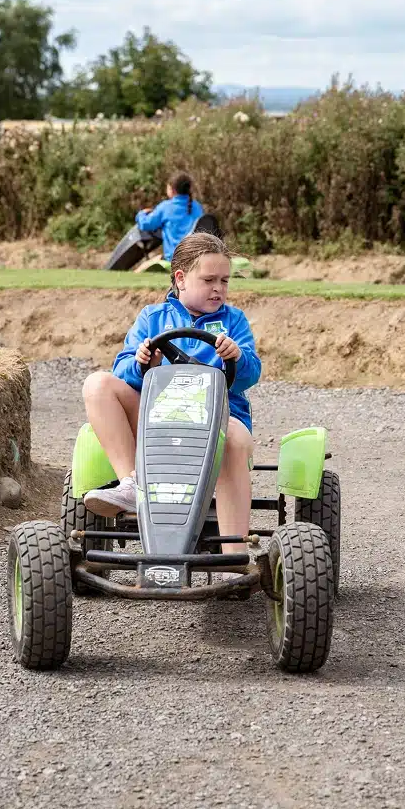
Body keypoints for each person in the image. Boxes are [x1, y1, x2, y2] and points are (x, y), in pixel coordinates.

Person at [81, 231, 262, 561]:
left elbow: (251, 374)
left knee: (235, 439)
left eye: (224, 280)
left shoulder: (233, 322)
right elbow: (122, 369)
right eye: (209, 280)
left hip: (219, 420)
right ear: (181, 278)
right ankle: (131, 482)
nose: (219, 288)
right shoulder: (153, 318)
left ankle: (234, 554)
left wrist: (236, 358)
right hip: (160, 419)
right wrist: (142, 365)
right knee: (97, 384)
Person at [136, 173, 205, 262]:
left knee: (142, 268)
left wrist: (141, 214)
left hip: (174, 259)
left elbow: (146, 224)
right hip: (195, 259)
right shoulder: (197, 207)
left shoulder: (166, 207)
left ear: (172, 190)